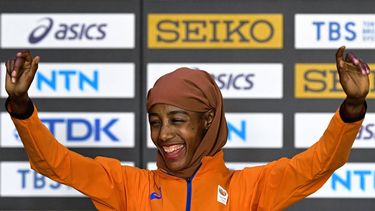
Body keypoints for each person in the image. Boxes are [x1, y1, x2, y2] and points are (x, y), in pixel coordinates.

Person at [3, 46, 369, 211]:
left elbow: (320, 163)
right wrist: (21, 107)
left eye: (178, 121)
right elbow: (55, 163)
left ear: (208, 121)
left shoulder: (251, 189)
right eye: (156, 121)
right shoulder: (128, 188)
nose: (163, 135)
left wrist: (352, 108)